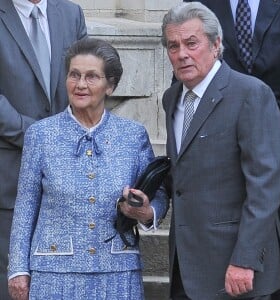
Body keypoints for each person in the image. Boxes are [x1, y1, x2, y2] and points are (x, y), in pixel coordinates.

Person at [7, 37, 168, 300]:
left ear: (110, 85)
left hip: (118, 273)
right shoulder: (41, 135)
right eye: (74, 75)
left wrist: (146, 210)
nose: (81, 84)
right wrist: (17, 270)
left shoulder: (132, 135)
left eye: (92, 76)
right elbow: (26, 206)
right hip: (53, 274)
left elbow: (159, 194)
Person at [161, 2, 280, 299]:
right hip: (186, 268)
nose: (182, 54)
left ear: (216, 44)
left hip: (236, 271)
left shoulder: (251, 94)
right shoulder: (171, 99)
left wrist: (245, 259)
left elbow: (265, 187)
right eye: (173, 46)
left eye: (192, 43)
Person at [0, 0, 87, 298]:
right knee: (12, 283)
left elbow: (87, 81)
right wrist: (41, 137)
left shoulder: (71, 13)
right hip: (8, 174)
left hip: (68, 176)